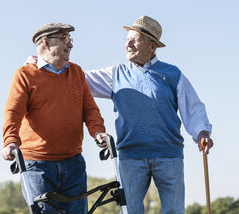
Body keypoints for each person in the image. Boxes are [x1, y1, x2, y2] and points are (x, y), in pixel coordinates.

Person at [27, 16, 213, 214]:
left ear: (152, 47)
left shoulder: (172, 74)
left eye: (135, 40)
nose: (128, 44)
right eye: (127, 39)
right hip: (130, 157)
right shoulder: (116, 73)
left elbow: (193, 107)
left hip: (168, 156)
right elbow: (75, 78)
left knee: (174, 211)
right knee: (130, 211)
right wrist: (42, 63)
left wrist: (202, 131)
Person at [2, 22, 107, 214]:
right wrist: (10, 141)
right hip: (37, 165)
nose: (70, 45)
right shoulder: (24, 75)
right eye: (64, 39)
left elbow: (90, 109)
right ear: (46, 43)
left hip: (73, 163)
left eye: (70, 39)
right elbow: (13, 112)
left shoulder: (76, 72)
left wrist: (98, 132)